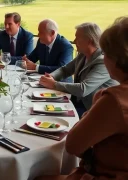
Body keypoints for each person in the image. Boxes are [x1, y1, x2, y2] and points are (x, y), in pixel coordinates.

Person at [35, 17, 128, 180]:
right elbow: (65, 69)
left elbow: (73, 145)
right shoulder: (82, 56)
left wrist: (95, 105)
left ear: (117, 58)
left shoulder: (114, 99)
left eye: (106, 53)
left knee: (37, 176)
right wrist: (51, 78)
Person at [39, 22, 118, 117]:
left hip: (93, 110)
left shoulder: (103, 62)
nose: (74, 41)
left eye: (77, 37)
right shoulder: (83, 54)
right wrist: (51, 76)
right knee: (44, 108)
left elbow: (83, 89)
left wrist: (54, 84)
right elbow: (65, 70)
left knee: (49, 114)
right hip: (76, 102)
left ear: (89, 40)